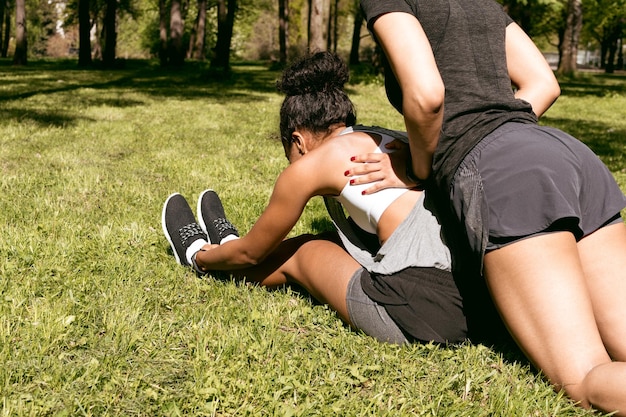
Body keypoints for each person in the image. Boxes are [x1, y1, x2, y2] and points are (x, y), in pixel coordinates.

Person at [350, 0, 626, 414]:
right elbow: (543, 83)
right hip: (565, 154)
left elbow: (425, 95)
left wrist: (421, 168)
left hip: (506, 174)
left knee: (586, 379)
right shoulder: (481, 2)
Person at [161, 51, 481, 346]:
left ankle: (199, 255)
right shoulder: (387, 138)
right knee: (334, 240)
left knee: (306, 252)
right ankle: (225, 244)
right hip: (474, 298)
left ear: (297, 140)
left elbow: (251, 254)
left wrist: (206, 256)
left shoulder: (314, 163)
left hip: (424, 311)